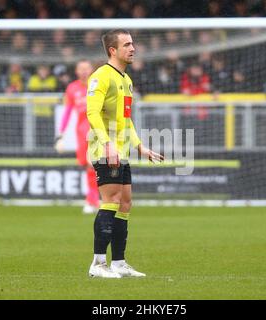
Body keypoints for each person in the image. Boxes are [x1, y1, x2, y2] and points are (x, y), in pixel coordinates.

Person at [86, 29, 164, 278]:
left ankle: (118, 262)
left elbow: (126, 119)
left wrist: (140, 146)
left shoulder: (126, 80)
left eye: (133, 43)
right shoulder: (101, 77)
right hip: (104, 149)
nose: (133, 48)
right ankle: (98, 264)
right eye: (127, 44)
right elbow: (92, 113)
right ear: (113, 50)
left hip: (122, 151)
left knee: (125, 203)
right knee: (111, 201)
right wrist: (107, 143)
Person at [57, 60, 100, 214]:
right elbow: (68, 111)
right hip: (81, 132)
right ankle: (95, 200)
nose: (83, 71)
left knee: (92, 165)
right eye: (80, 69)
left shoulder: (98, 85)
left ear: (92, 69)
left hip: (98, 130)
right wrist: (60, 134)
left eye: (86, 68)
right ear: (76, 71)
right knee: (87, 165)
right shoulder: (72, 88)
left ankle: (92, 200)